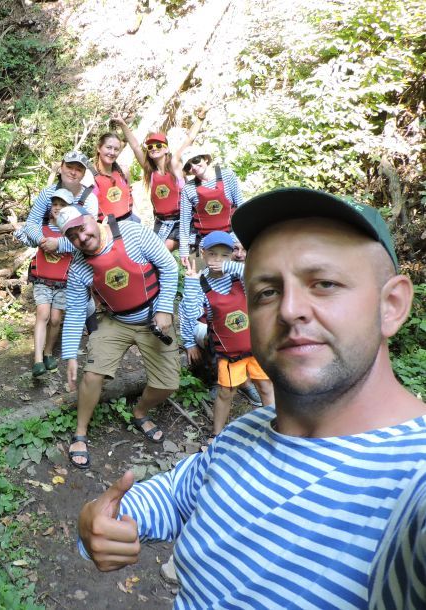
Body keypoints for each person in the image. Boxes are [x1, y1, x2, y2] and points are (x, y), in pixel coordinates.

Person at [78, 187, 426, 608]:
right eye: (266, 292)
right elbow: (175, 494)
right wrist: (98, 520)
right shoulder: (247, 432)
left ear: (391, 306)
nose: (289, 309)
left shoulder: (413, 478)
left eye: (325, 283)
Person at [57, 205, 180, 469]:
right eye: (72, 236)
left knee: (168, 383)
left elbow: (169, 267)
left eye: (82, 228)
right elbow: (77, 311)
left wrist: (165, 308)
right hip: (116, 321)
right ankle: (80, 432)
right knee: (92, 374)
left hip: (154, 316)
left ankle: (140, 412)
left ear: (93, 218)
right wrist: (69, 355)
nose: (81, 238)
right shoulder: (79, 267)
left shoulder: (133, 233)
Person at [179, 230, 274, 436]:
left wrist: (228, 266)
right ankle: (216, 434)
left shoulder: (240, 278)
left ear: (232, 256)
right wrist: (192, 283)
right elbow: (191, 314)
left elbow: (255, 273)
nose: (218, 260)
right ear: (202, 254)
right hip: (229, 353)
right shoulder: (200, 282)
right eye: (212, 254)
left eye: (224, 254)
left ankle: (275, 428)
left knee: (266, 387)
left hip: (255, 347)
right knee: (226, 393)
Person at [112, 111, 206, 251]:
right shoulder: (150, 171)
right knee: (150, 254)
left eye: (158, 145)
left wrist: (200, 118)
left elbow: (189, 139)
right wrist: (123, 124)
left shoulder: (176, 165)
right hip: (161, 221)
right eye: (150, 147)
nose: (153, 148)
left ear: (166, 148)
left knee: (160, 251)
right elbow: (136, 146)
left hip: (182, 220)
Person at [20, 189, 74, 377]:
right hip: (42, 280)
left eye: (62, 205)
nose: (57, 208)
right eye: (55, 204)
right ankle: (38, 360)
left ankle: (48, 352)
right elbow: (27, 236)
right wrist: (20, 233)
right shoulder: (40, 227)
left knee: (56, 319)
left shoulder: (72, 231)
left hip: (64, 283)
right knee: (42, 314)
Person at [21, 150, 99, 257]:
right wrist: (43, 242)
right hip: (45, 253)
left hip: (78, 258)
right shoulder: (47, 193)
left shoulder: (89, 199)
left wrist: (58, 244)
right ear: (61, 167)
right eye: (69, 167)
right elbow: (31, 223)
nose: (73, 172)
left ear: (83, 174)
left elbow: (93, 234)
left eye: (78, 170)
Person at [177, 146, 243, 266]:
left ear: (205, 159)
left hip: (231, 235)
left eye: (196, 160)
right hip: (202, 239)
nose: (194, 167)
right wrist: (183, 250)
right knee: (198, 277)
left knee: (236, 276)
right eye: (188, 166)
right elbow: (184, 221)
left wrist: (245, 236)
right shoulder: (188, 188)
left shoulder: (227, 175)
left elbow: (241, 206)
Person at [92, 132, 137, 222]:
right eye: (108, 147)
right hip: (108, 228)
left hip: (131, 223)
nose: (112, 152)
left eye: (116, 149)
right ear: (99, 148)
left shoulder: (123, 171)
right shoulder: (89, 176)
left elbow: (130, 198)